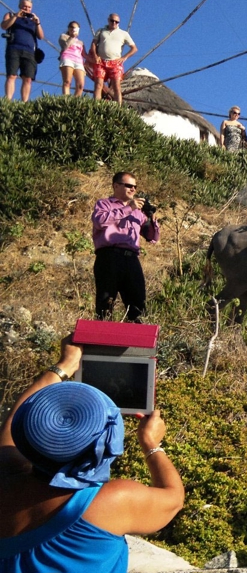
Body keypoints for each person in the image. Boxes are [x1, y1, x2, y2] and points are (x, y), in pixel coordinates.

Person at [0, 339, 185, 572]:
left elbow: (13, 425)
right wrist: (151, 444)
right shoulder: (110, 502)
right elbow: (173, 499)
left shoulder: (6, 474)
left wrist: (64, 366)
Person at [92, 172, 159, 323]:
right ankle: (102, 342)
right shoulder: (104, 204)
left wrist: (151, 220)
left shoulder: (137, 211)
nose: (133, 190)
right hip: (108, 257)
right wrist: (128, 209)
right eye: (128, 186)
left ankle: (135, 342)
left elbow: (152, 238)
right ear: (116, 186)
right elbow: (99, 222)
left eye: (135, 187)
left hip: (131, 259)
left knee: (138, 304)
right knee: (105, 303)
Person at [90, 13, 137, 105]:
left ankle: (118, 109)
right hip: (101, 61)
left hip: (115, 62)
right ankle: (96, 107)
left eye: (117, 22)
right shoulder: (101, 31)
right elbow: (93, 44)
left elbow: (134, 48)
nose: (114, 23)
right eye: (112, 21)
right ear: (108, 20)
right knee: (98, 85)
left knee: (117, 87)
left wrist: (124, 57)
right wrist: (95, 55)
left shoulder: (123, 33)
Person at [3, 0, 44, 102]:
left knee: (28, 78)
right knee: (11, 75)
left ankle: (24, 102)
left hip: (30, 52)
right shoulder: (11, 15)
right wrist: (16, 16)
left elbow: (41, 36)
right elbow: (4, 26)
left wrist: (37, 23)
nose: (27, 9)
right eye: (25, 6)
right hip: (14, 49)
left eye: (29, 7)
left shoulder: (33, 21)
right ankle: (8, 100)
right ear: (20, 6)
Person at [58, 21, 86, 97]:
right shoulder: (63, 36)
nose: (74, 29)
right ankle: (66, 99)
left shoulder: (81, 42)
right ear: (69, 28)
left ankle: (75, 102)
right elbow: (65, 47)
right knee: (67, 81)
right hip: (67, 58)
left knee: (80, 85)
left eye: (75, 28)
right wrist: (72, 37)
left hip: (79, 62)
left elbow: (85, 55)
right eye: (72, 27)